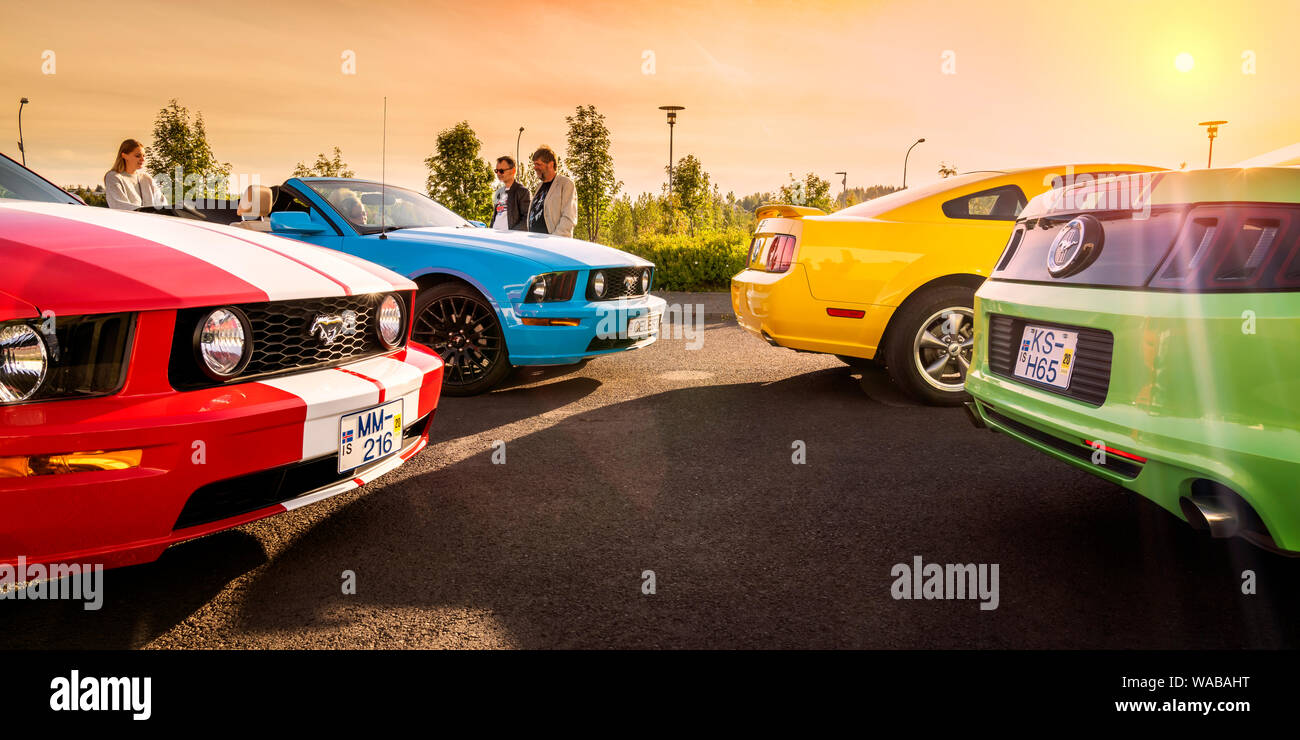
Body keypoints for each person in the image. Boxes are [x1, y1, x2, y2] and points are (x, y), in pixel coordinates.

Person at [526, 145, 576, 238]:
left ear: (551, 164)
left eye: (538, 164)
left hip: (553, 245)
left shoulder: (565, 184)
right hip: (534, 243)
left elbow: (569, 217)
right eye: (534, 164)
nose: (535, 167)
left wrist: (554, 240)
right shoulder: (539, 186)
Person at [104, 139, 168, 210]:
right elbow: (118, 205)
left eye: (144, 156)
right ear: (124, 156)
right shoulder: (113, 177)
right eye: (138, 156)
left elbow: (162, 202)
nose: (143, 159)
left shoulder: (146, 178)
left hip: (151, 220)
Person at [491, 155, 530, 231]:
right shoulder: (499, 192)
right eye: (496, 171)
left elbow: (527, 218)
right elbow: (494, 217)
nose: (498, 174)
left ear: (513, 171)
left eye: (501, 171)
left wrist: (512, 234)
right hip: (495, 237)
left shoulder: (522, 191)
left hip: (508, 239)